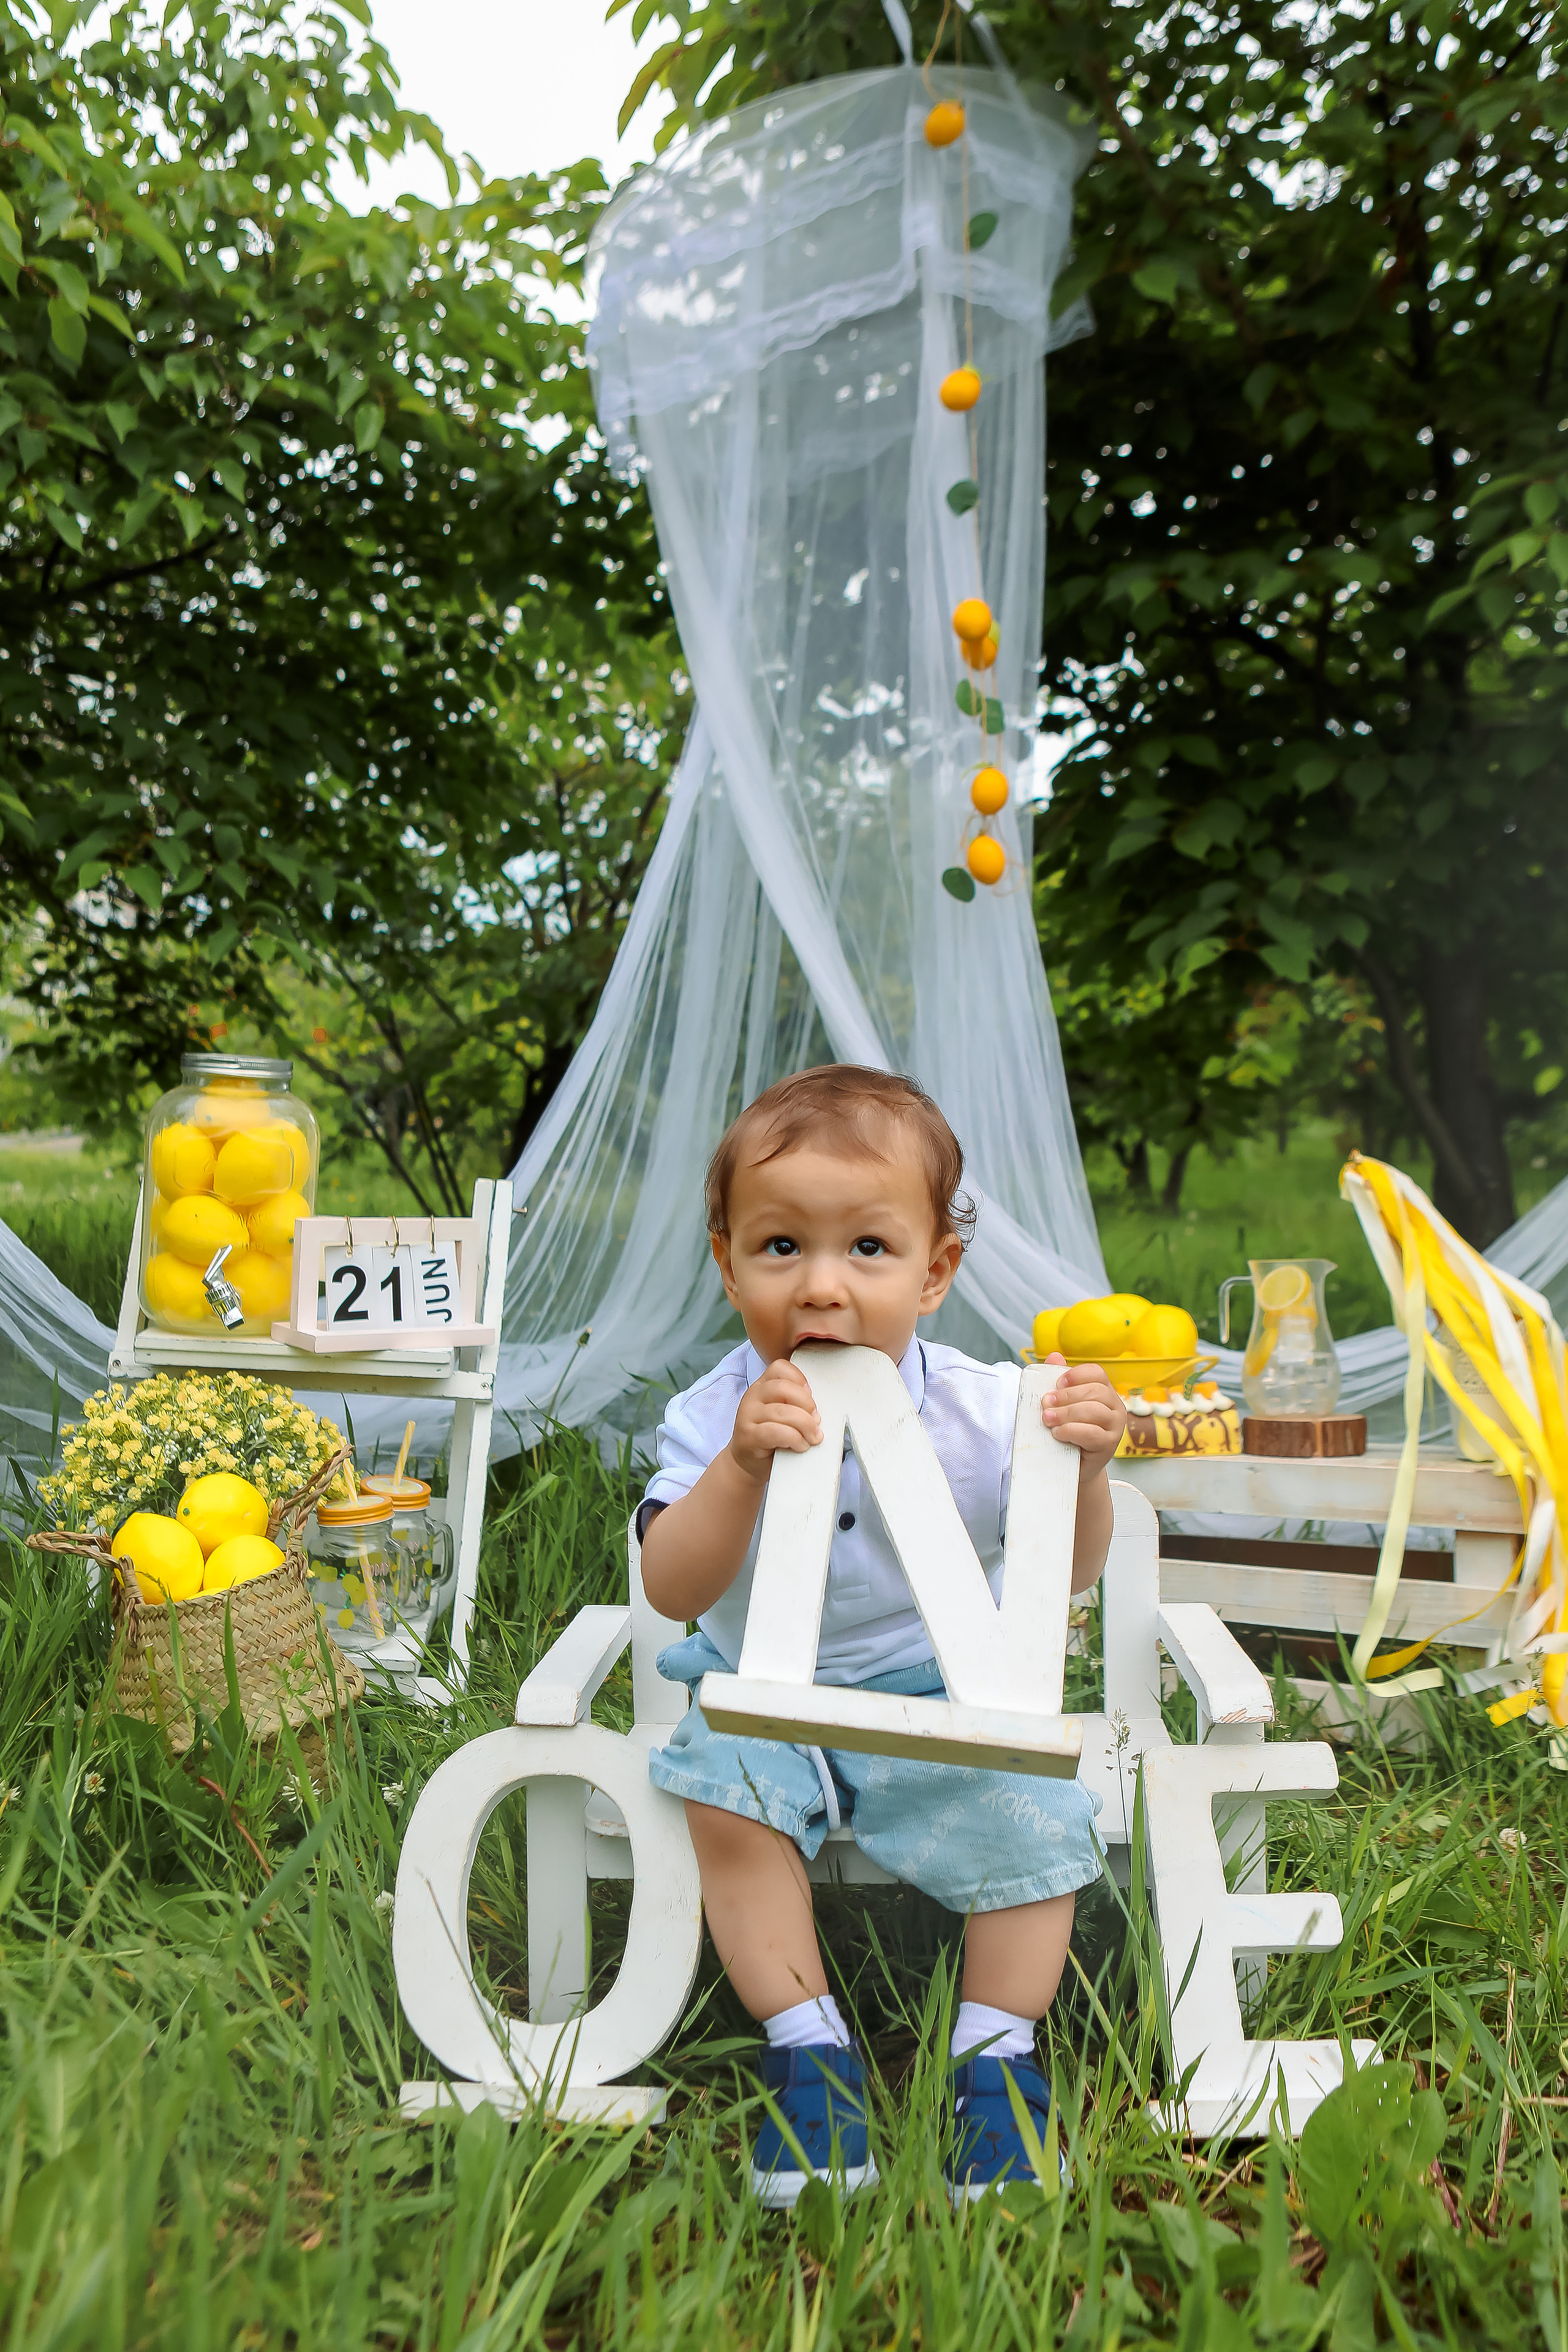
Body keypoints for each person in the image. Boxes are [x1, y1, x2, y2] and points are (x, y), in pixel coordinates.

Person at [638, 1065, 1126, 2207]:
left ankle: (995, 2060)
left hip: (931, 1683)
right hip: (758, 1678)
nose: (821, 1287)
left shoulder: (981, 1411)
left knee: (1032, 1809)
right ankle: (808, 2045)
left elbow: (1070, 1574)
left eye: (868, 1248)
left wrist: (1086, 1473)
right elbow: (671, 1585)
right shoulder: (716, 1412)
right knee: (726, 1800)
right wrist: (741, 1468)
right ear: (727, 1259)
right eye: (779, 1248)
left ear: (936, 1270)